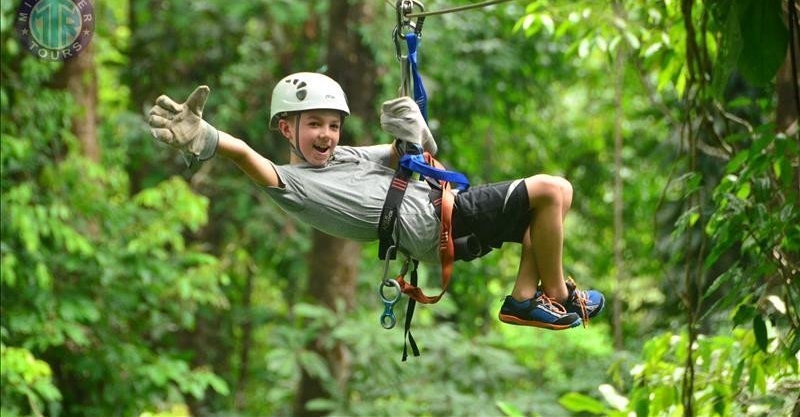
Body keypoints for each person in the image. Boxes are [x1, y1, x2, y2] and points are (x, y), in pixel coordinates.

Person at [146, 72, 605, 330]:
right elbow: (248, 156)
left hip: (444, 215)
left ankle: (525, 297)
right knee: (554, 189)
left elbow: (398, 154)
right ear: (286, 128)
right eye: (314, 125)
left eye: (333, 125)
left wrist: (410, 127)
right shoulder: (293, 186)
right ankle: (559, 295)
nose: (326, 135)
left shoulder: (341, 157)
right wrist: (205, 137)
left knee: (542, 221)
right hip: (438, 223)